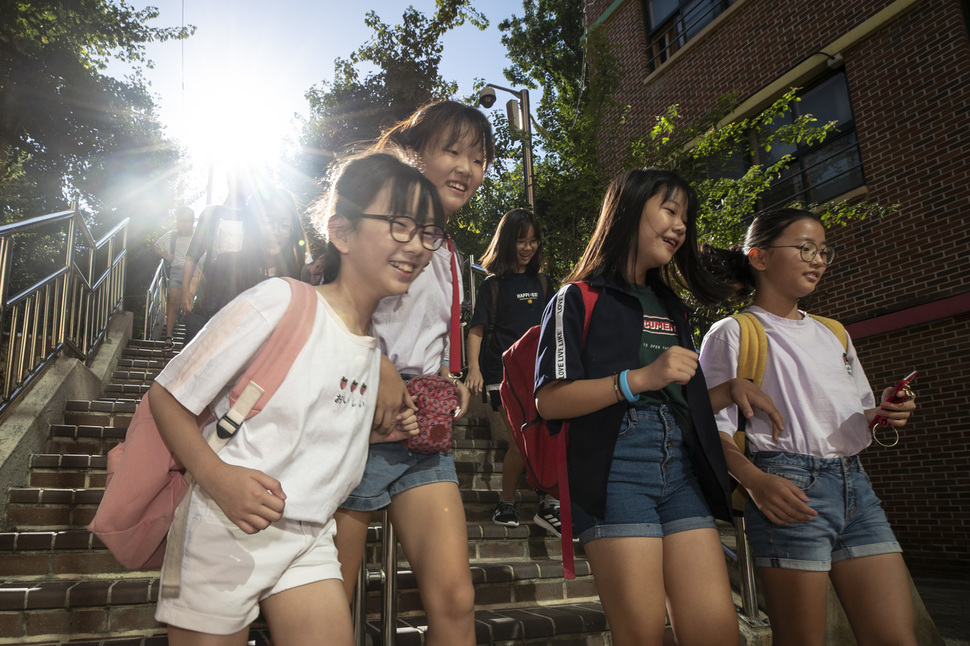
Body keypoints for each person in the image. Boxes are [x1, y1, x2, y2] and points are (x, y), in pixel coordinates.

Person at [145, 151, 441, 646]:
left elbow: (312, 424)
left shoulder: (371, 351)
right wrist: (217, 478)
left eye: (428, 233)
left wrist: (376, 431)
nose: (417, 246)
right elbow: (167, 396)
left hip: (310, 539)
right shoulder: (279, 300)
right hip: (224, 530)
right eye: (400, 225)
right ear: (342, 232)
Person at [533, 168, 779, 646]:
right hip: (614, 472)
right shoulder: (577, 296)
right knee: (642, 634)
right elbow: (550, 400)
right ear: (628, 210)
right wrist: (640, 379)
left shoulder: (672, 305)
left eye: (685, 216)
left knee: (716, 632)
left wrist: (728, 392)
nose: (680, 225)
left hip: (681, 471)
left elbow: (674, 399)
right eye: (669, 209)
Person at [698, 208, 918, 646]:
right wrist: (756, 481)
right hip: (788, 489)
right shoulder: (733, 332)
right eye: (804, 248)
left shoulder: (835, 333)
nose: (817, 259)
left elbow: (857, 414)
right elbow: (708, 429)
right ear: (758, 257)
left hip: (857, 490)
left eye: (823, 251)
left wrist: (885, 412)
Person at [332, 100, 494, 646]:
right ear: (414, 154)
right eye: (451, 150)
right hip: (356, 422)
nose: (467, 168)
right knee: (331, 598)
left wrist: (449, 377)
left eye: (479, 157)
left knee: (455, 597)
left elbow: (433, 330)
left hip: (424, 435)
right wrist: (375, 362)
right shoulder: (373, 230)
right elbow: (329, 309)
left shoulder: (447, 252)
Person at [464, 208, 560, 534]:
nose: (527, 247)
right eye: (521, 240)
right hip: (503, 377)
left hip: (542, 376)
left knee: (548, 436)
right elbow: (476, 330)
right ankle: (506, 502)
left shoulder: (546, 283)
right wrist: (474, 369)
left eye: (533, 241)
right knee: (521, 441)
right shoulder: (494, 286)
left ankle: (549, 503)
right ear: (507, 242)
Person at [180, 171, 305, 342]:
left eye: (284, 225)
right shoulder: (213, 217)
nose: (275, 231)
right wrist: (185, 290)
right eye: (267, 222)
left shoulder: (295, 282)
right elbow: (192, 255)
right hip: (213, 300)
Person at [153, 206, 195, 349]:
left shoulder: (199, 236)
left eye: (188, 221)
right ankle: (169, 338)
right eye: (182, 221)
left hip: (195, 272)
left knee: (189, 303)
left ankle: (192, 339)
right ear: (178, 221)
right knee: (172, 300)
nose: (185, 224)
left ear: (193, 221)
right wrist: (166, 256)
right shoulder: (172, 236)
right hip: (177, 270)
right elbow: (156, 246)